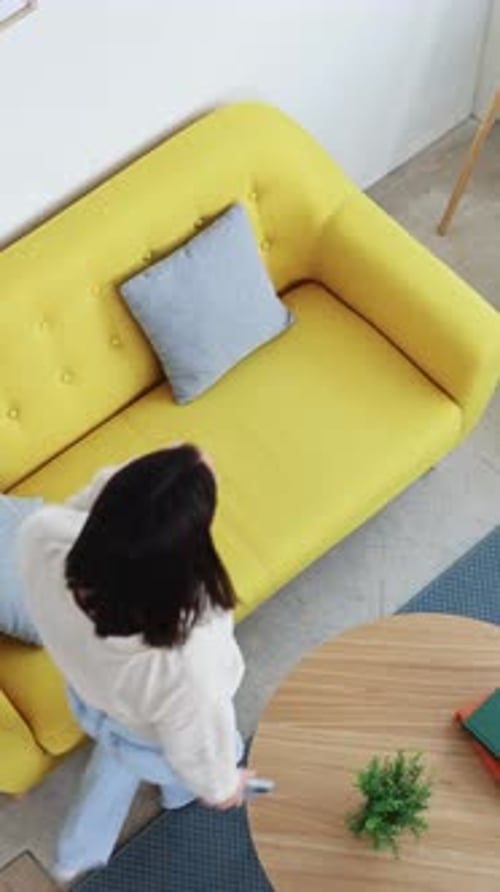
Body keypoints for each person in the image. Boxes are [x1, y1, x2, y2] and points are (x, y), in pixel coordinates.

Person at [18, 444, 253, 883]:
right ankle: (177, 798)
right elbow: (199, 744)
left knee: (115, 763)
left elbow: (97, 504)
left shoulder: (43, 538)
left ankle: (76, 854)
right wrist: (223, 786)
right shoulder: (185, 662)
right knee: (191, 761)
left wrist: (170, 472)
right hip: (151, 733)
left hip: (91, 696)